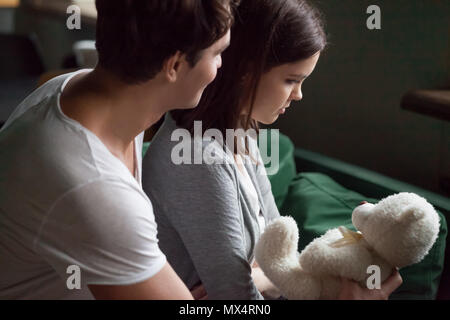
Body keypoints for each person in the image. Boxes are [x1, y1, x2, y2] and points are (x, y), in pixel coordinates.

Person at [142, 0, 402, 300]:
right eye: (292, 80)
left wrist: (262, 278)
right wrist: (260, 277)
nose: (299, 94)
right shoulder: (199, 158)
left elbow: (282, 256)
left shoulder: (240, 130)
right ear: (246, 71)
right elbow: (239, 299)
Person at [0, 0, 235, 300]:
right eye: (217, 54)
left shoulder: (75, 91)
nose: (220, 65)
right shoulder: (93, 184)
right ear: (174, 65)